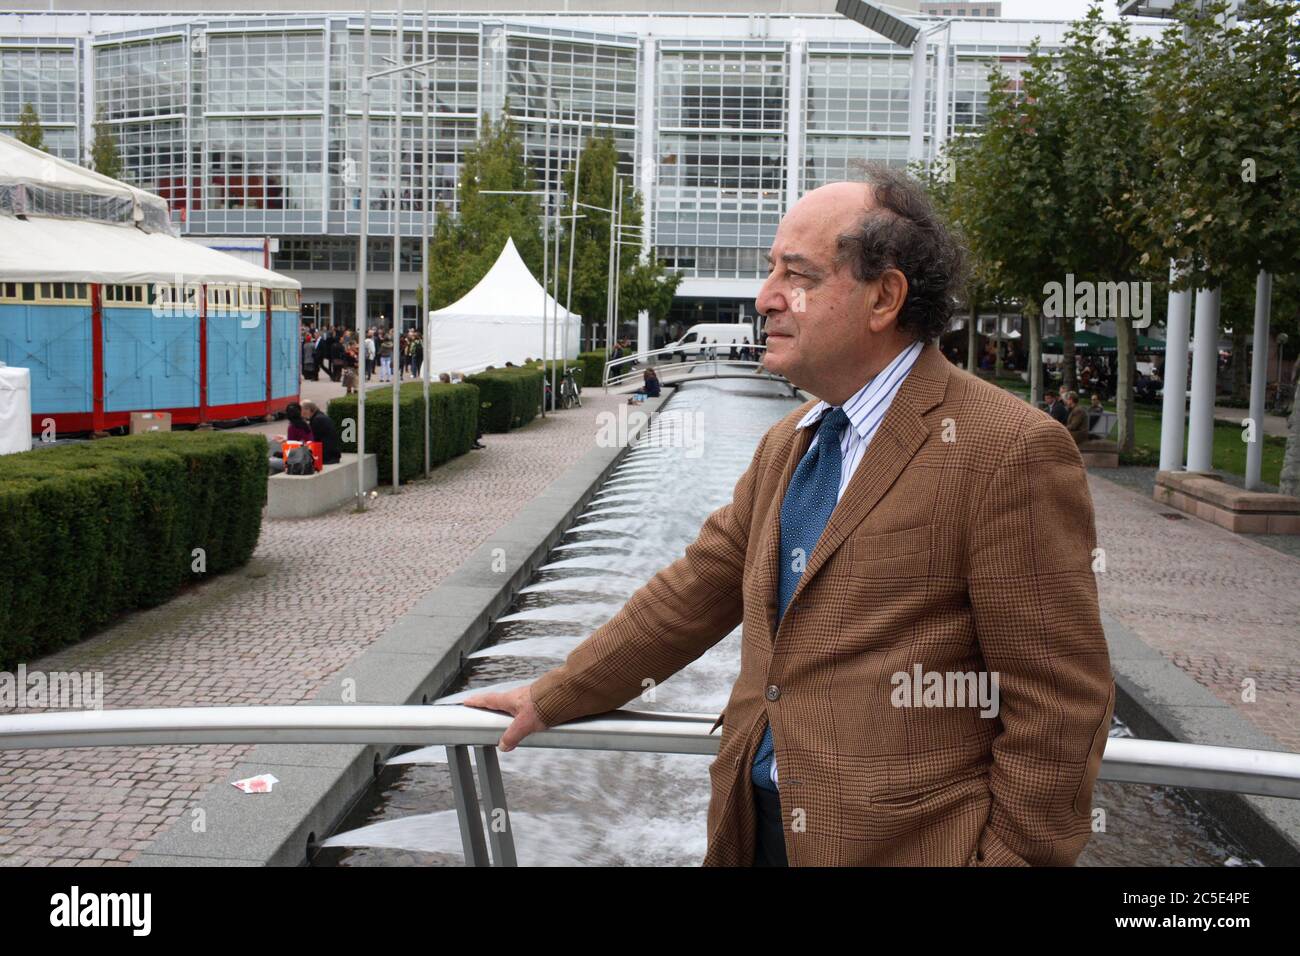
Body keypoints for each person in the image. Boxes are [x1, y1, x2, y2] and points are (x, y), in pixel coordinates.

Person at [464, 167, 1113, 867]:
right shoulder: (793, 439)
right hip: (756, 834)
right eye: (770, 270)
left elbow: (1058, 703)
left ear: (884, 297)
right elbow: (695, 591)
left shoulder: (1006, 449)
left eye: (796, 275)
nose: (765, 296)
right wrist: (555, 693)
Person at [267, 402, 314, 474]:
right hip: (309, 459)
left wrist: (279, 452)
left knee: (269, 461)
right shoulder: (306, 425)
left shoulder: (292, 427)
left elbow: (290, 450)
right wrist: (285, 440)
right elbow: (301, 442)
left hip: (298, 462)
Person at [300, 400, 341, 465]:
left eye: (301, 410)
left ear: (308, 410)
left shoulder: (317, 420)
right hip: (333, 455)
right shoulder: (320, 416)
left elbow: (313, 440)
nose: (300, 413)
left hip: (327, 457)